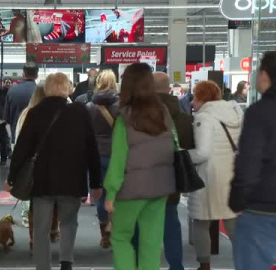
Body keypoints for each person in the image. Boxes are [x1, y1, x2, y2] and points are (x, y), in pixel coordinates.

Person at [6, 73, 103, 270]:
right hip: (73, 181)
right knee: (69, 223)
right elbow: (92, 149)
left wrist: (11, 178)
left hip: (43, 182)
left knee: (41, 227)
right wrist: (96, 182)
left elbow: (21, 150)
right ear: (68, 88)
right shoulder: (80, 112)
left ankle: (43, 266)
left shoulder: (34, 113)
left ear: (47, 89)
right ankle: (66, 262)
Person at [229, 51, 276, 270]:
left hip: (263, 210)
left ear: (264, 74)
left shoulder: (259, 112)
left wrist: (237, 200)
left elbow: (248, 162)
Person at [104, 63, 176, 270]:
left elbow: (119, 158)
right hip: (160, 187)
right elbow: (172, 146)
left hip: (130, 189)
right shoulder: (163, 113)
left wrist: (111, 192)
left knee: (120, 237)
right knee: (151, 242)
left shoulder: (124, 117)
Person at [131, 72, 194, 270]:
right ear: (169, 89)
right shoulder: (184, 119)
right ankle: (176, 266)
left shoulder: (134, 114)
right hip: (170, 181)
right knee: (170, 225)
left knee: (138, 226)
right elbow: (189, 148)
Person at [188, 80, 243, 270]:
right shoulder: (235, 113)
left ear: (202, 97)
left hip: (209, 176)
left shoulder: (204, 117)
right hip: (230, 174)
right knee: (231, 220)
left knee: (201, 221)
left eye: (194, 96)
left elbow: (203, 153)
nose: (192, 101)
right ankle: (245, 261)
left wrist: (182, 155)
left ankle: (204, 265)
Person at [13, 82, 60, 253]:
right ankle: (53, 230)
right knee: (54, 200)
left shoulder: (26, 114)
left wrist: (15, 171)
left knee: (34, 204)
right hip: (54, 166)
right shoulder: (56, 113)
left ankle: (34, 241)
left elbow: (19, 142)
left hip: (32, 167)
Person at [84, 69, 119, 249]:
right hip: (117, 155)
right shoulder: (121, 106)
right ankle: (116, 231)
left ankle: (104, 235)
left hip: (96, 155)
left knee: (99, 195)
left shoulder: (89, 107)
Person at [4, 62, 39, 143]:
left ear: (23, 74)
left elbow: (7, 119)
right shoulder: (42, 92)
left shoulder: (12, 91)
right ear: (36, 76)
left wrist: (11, 137)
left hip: (17, 137)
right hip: (36, 140)